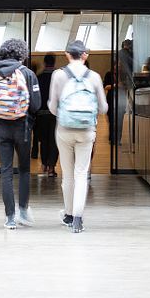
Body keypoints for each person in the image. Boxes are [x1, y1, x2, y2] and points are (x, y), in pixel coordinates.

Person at [47, 40, 108, 234]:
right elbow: (104, 108)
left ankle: (68, 214)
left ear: (67, 55)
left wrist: (66, 116)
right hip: (87, 131)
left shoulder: (58, 75)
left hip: (64, 130)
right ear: (85, 55)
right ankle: (78, 219)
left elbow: (52, 106)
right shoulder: (95, 77)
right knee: (82, 173)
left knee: (67, 173)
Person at [0, 38, 40, 229]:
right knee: (24, 170)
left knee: (6, 172)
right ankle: (23, 211)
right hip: (22, 128)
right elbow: (36, 105)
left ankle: (10, 218)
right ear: (22, 54)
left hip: (2, 129)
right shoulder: (28, 74)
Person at [33, 54, 59, 178]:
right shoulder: (59, 77)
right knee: (54, 141)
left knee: (43, 140)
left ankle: (43, 164)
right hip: (56, 114)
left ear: (44, 63)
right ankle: (51, 167)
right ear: (54, 63)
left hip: (42, 113)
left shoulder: (39, 78)